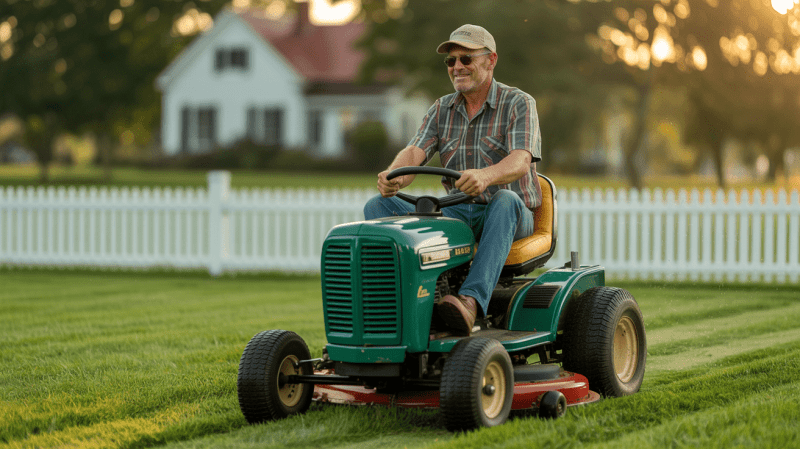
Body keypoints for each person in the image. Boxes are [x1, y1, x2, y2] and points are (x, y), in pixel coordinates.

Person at [363, 24, 542, 336]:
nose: (457, 66)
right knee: (379, 206)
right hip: (457, 211)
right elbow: (415, 151)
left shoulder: (518, 103)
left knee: (505, 200)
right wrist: (394, 178)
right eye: (451, 61)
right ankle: (395, 304)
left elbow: (520, 160)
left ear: (491, 60)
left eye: (466, 59)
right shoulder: (441, 108)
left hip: (507, 215)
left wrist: (486, 176)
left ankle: (470, 301)